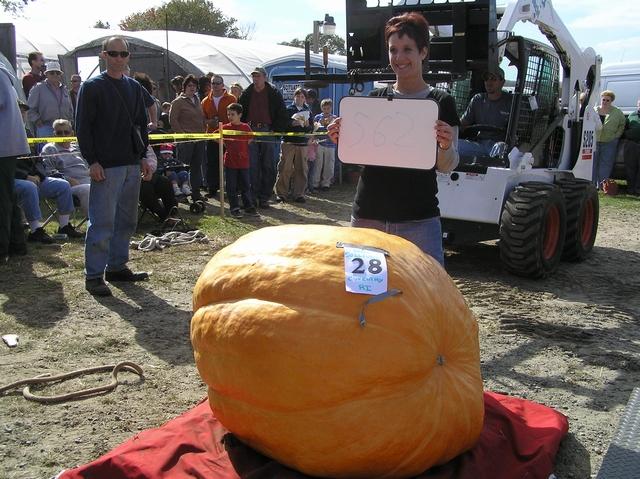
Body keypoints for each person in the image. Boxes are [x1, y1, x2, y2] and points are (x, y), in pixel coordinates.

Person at [327, 12, 459, 266]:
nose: (399, 58)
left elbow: (448, 165)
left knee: (428, 290)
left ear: (423, 52)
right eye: (393, 50)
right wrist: (342, 139)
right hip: (368, 217)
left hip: (419, 221)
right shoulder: (374, 100)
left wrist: (445, 146)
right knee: (363, 290)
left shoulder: (442, 102)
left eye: (407, 49)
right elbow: (359, 158)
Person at [75, 36, 152, 297]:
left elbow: (141, 125)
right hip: (106, 166)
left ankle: (117, 266)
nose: (119, 58)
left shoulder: (134, 87)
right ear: (104, 55)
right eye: (113, 53)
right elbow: (83, 127)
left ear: (128, 56)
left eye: (123, 54)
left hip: (131, 163)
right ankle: (94, 275)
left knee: (127, 220)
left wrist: (143, 156)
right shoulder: (92, 87)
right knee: (102, 221)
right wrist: (92, 161)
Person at [238, 66, 288, 209]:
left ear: (264, 77)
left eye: (258, 76)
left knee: (268, 165)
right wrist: (243, 128)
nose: (255, 79)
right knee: (252, 165)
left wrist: (276, 130)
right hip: (250, 130)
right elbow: (240, 111)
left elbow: (282, 113)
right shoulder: (246, 93)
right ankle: (252, 197)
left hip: (268, 131)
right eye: (254, 76)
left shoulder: (274, 93)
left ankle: (264, 197)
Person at [1, 64, 29, 264]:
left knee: (2, 199)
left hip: (3, 147)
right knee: (7, 196)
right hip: (6, 146)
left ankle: (3, 247)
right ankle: (16, 243)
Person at [457, 67, 512, 162]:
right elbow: (463, 123)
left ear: (502, 82)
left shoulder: (510, 102)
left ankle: (493, 168)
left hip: (497, 145)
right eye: (486, 79)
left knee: (502, 148)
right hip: (478, 144)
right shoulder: (477, 99)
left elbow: (519, 131)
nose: (489, 82)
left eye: (493, 79)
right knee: (453, 145)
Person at [41, 119, 91, 216]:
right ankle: (94, 222)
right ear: (54, 134)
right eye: (59, 133)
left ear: (72, 134)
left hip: (89, 181)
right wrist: (67, 179)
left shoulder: (78, 148)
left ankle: (112, 221)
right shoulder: (50, 149)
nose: (63, 135)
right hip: (68, 187)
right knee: (86, 189)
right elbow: (48, 171)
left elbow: (89, 165)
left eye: (66, 132)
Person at [169, 74, 207, 202]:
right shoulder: (178, 102)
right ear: (184, 87)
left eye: (194, 85)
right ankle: (180, 195)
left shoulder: (198, 100)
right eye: (189, 85)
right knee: (182, 168)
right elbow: (173, 120)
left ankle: (196, 193)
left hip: (199, 139)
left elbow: (201, 118)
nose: (192, 87)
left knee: (196, 167)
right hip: (185, 141)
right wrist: (183, 135)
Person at [217, 103, 258, 218]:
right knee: (231, 186)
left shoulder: (246, 127)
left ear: (240, 115)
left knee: (246, 185)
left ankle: (248, 207)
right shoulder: (224, 127)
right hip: (230, 162)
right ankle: (234, 208)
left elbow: (250, 138)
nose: (230, 116)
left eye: (232, 114)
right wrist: (225, 143)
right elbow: (215, 136)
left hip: (244, 162)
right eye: (228, 114)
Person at [274, 87, 313, 203]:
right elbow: (282, 125)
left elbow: (311, 127)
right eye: (297, 96)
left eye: (302, 96)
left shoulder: (308, 111)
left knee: (301, 169)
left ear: (305, 99)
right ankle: (281, 194)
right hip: (288, 142)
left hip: (302, 143)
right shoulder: (288, 109)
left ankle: (299, 194)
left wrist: (307, 125)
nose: (299, 98)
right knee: (285, 168)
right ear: (294, 97)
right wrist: (292, 123)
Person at [201, 74, 236, 197]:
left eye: (218, 83)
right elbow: (202, 119)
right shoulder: (205, 101)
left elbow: (237, 116)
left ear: (222, 85)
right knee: (212, 163)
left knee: (230, 163)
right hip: (212, 136)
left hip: (229, 136)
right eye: (213, 83)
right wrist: (209, 122)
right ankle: (212, 189)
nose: (215, 86)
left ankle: (232, 188)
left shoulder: (231, 99)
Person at [27, 61, 74, 140]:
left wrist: (70, 122)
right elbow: (30, 108)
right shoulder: (38, 88)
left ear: (60, 75)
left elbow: (70, 109)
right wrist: (37, 120)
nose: (55, 75)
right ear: (46, 74)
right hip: (46, 127)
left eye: (57, 73)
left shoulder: (65, 89)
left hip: (64, 130)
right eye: (52, 73)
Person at [593, 90, 625, 188]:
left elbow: (622, 124)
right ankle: (592, 185)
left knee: (606, 164)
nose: (605, 102)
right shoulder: (594, 110)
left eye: (608, 100)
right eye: (603, 99)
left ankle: (602, 185)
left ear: (611, 101)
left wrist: (617, 136)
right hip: (594, 141)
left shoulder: (617, 112)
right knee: (593, 163)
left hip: (609, 142)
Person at [311, 98, 338, 192]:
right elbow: (314, 130)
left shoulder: (334, 118)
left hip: (331, 144)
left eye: (328, 108)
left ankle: (326, 183)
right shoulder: (317, 117)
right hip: (320, 143)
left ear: (331, 108)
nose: (326, 110)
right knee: (318, 163)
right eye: (324, 108)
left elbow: (336, 130)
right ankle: (315, 183)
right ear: (321, 108)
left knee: (329, 164)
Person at [622, 98, 640, 195]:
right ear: (637, 105)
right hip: (631, 144)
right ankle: (630, 188)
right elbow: (624, 128)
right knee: (630, 168)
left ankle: (638, 189)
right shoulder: (632, 115)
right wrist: (627, 134)